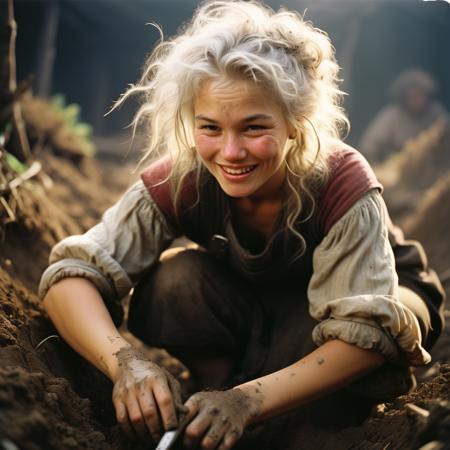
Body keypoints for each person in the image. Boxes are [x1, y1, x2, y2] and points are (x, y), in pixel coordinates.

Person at [39, 2, 445, 449]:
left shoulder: (342, 181)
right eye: (210, 127)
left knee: (313, 407)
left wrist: (247, 401)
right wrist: (126, 364)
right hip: (251, 300)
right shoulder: (181, 178)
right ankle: (217, 382)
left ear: (295, 124)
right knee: (176, 279)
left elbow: (369, 332)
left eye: (253, 128)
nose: (230, 152)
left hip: (360, 301)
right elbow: (70, 276)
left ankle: (269, 401)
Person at [359, 68, 449, 164]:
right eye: (414, 96)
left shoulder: (436, 114)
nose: (418, 100)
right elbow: (369, 146)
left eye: (422, 95)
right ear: (404, 96)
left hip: (430, 168)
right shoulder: (391, 115)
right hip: (397, 168)